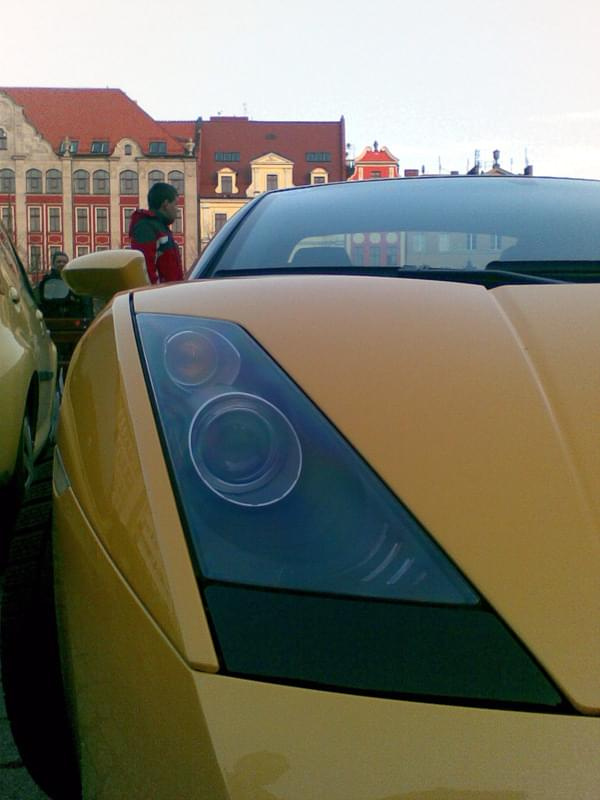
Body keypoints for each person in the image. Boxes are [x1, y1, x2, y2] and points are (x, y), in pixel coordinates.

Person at [129, 182, 184, 284]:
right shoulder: (146, 228)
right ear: (166, 204)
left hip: (168, 294)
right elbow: (145, 271)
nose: (177, 210)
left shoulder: (161, 228)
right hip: (159, 297)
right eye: (176, 204)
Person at [37, 251, 93, 319]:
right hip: (51, 318)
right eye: (59, 262)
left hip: (71, 319)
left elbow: (83, 299)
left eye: (64, 262)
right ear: (53, 264)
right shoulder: (47, 280)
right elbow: (42, 299)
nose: (62, 264)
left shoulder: (73, 280)